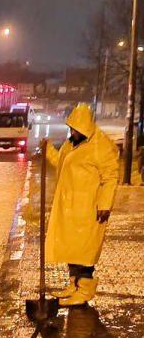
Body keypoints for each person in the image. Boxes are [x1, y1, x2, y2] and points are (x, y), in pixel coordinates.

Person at [45, 103, 119, 306]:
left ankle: (85, 290)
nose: (72, 132)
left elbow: (110, 177)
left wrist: (105, 204)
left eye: (75, 129)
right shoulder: (72, 144)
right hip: (70, 207)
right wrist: (48, 150)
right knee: (72, 247)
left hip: (90, 208)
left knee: (85, 249)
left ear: (85, 127)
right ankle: (73, 285)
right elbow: (61, 164)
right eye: (71, 128)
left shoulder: (100, 145)